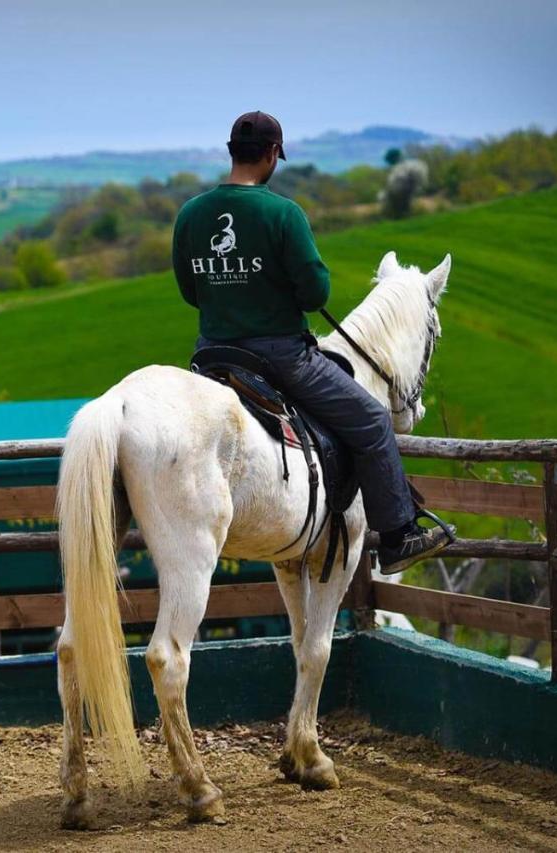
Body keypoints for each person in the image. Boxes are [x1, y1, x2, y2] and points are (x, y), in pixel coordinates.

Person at [172, 110, 453, 573]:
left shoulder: (191, 215)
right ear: (270, 156)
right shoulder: (283, 214)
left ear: (230, 153)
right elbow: (316, 294)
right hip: (279, 358)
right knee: (371, 421)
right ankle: (400, 536)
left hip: (211, 354)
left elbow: (189, 291)